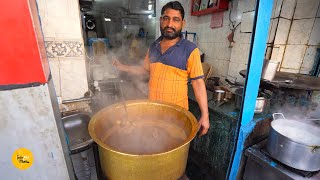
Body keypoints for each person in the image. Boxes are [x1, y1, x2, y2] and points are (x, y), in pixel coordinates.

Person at [113, 1, 209, 136]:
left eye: (176, 19)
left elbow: (198, 82)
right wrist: (122, 67)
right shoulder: (153, 46)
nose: (170, 24)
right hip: (153, 113)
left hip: (176, 116)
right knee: (153, 146)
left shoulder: (190, 49)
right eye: (166, 18)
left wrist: (205, 115)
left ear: (183, 23)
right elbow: (144, 70)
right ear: (160, 20)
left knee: (174, 151)